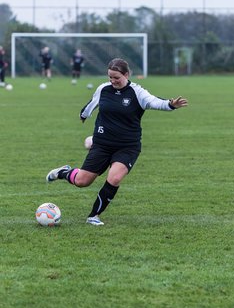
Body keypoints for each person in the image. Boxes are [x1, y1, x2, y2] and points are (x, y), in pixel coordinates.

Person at [46, 58, 188, 226]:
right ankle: (64, 172)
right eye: (110, 77)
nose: (113, 81)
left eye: (116, 78)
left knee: (114, 178)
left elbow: (154, 101)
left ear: (126, 75)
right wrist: (84, 115)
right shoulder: (103, 89)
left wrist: (170, 104)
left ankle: (94, 216)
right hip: (102, 144)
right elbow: (92, 104)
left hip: (128, 146)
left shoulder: (137, 92)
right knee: (82, 181)